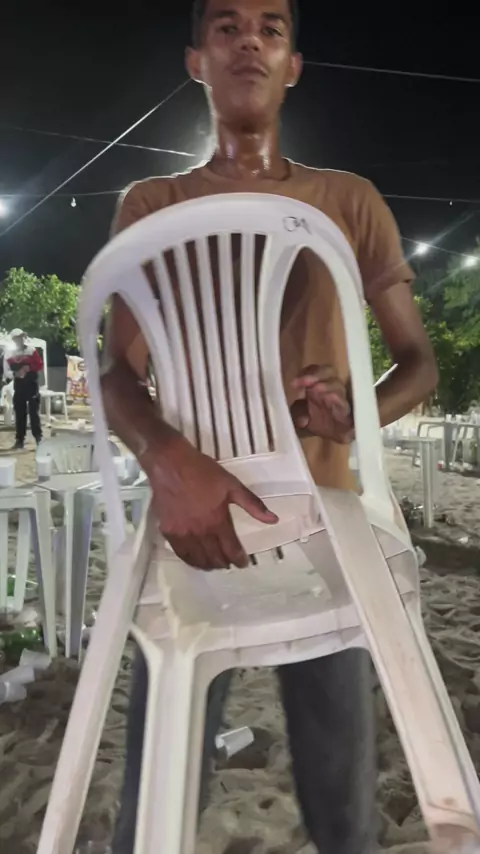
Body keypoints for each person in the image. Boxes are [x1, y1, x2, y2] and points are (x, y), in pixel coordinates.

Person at [101, 1, 439, 851]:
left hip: (325, 523)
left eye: (270, 28)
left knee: (342, 805)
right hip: (195, 523)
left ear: (292, 66)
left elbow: (418, 363)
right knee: (155, 797)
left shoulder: (348, 201)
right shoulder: (153, 203)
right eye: (227, 26)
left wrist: (355, 421)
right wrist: (168, 460)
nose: (249, 40)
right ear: (196, 61)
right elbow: (116, 375)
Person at [3, 329, 43, 449]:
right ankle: (19, 440)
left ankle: (38, 438)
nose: (20, 339)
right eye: (17, 337)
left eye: (21, 337)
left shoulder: (31, 350)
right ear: (13, 339)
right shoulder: (10, 353)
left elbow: (39, 364)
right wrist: (15, 374)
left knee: (34, 412)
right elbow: (6, 371)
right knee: (20, 413)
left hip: (32, 384)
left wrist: (28, 368)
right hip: (19, 385)